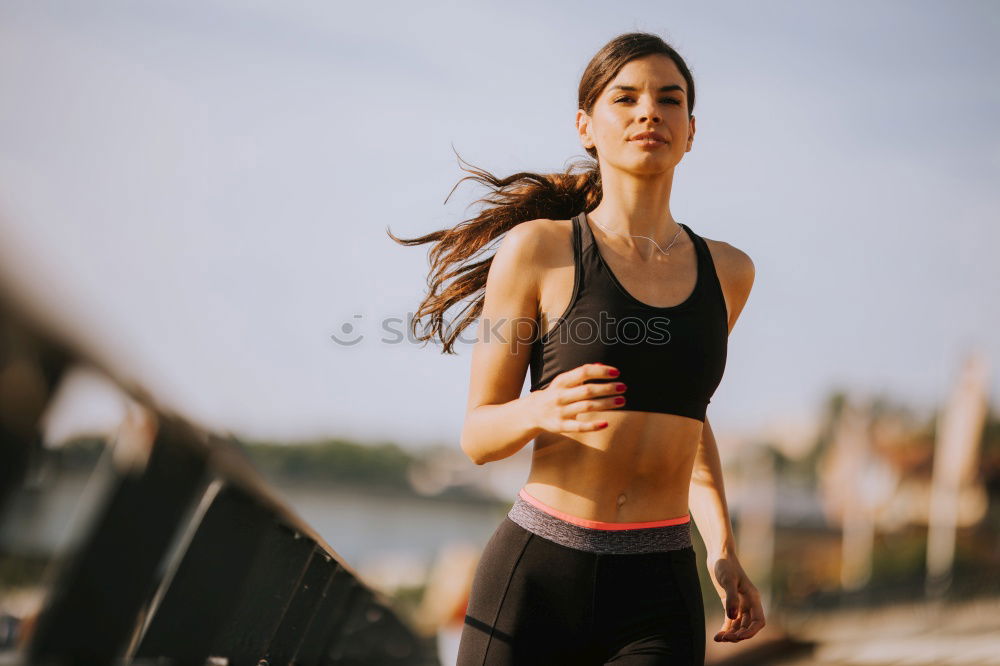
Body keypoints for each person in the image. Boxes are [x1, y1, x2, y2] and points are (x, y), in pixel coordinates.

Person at [389, 31, 764, 666]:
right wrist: (541, 408)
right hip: (537, 575)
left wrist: (723, 549)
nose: (650, 112)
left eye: (669, 100)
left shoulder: (729, 272)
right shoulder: (539, 250)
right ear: (587, 126)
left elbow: (690, 419)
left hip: (659, 587)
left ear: (691, 130)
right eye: (626, 98)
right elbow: (478, 435)